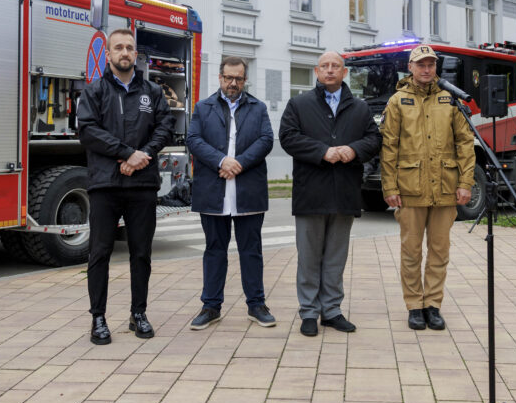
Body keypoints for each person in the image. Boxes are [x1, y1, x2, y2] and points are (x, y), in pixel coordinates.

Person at [77, 27, 175, 345]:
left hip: (143, 185)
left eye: (130, 48)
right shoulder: (94, 91)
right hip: (105, 184)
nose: (124, 52)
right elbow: (88, 130)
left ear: (136, 54)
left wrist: (143, 155)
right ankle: (98, 318)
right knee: (100, 253)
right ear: (108, 55)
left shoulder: (152, 92)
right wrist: (126, 153)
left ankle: (138, 313)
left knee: (141, 253)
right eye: (118, 47)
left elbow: (165, 127)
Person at [279, 51, 382, 337]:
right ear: (316, 71)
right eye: (324, 66)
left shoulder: (360, 108)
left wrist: (354, 150)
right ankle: (309, 312)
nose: (330, 70)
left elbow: (374, 139)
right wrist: (322, 151)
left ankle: (332, 311)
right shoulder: (299, 104)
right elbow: (288, 137)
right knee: (309, 257)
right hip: (310, 192)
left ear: (345, 73)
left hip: (344, 193)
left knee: (336, 257)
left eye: (336, 66)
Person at [380, 45, 475, 330]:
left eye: (431, 64)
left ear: (436, 68)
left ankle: (433, 304)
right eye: (421, 64)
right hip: (410, 189)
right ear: (410, 67)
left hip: (445, 188)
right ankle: (414, 305)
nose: (426, 69)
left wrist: (466, 182)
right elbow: (388, 148)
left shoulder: (450, 100)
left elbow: (465, 144)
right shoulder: (398, 101)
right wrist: (389, 186)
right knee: (411, 251)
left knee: (439, 251)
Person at [186, 57, 276, 329]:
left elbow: (266, 140)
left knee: (252, 251)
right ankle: (211, 307)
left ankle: (256, 305)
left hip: (248, 189)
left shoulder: (258, 108)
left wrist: (239, 164)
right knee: (214, 250)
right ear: (220, 77)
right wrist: (222, 161)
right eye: (228, 78)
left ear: (245, 80)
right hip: (213, 190)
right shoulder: (203, 108)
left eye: (238, 78)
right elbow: (193, 140)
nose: (233, 83)